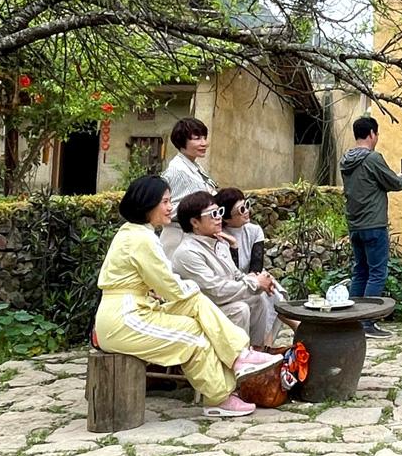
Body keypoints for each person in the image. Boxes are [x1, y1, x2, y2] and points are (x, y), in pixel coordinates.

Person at [93, 175, 282, 418]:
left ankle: (240, 356)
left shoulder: (134, 232)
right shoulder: (141, 239)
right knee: (194, 337)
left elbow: (164, 286)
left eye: (170, 201)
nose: (170, 207)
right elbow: (169, 286)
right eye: (164, 202)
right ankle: (219, 396)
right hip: (124, 319)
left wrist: (192, 292)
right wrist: (194, 288)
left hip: (138, 308)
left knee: (196, 303)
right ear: (147, 204)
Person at [171, 190, 277, 348]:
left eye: (219, 211)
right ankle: (238, 359)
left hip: (221, 303)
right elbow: (215, 291)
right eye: (213, 213)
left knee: (259, 299)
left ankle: (257, 351)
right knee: (240, 309)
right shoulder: (187, 252)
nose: (219, 217)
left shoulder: (219, 243)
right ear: (195, 222)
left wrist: (258, 280)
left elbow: (235, 275)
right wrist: (255, 284)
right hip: (202, 309)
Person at [340, 115, 402, 339]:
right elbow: (394, 182)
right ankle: (367, 323)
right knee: (377, 273)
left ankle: (350, 320)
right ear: (372, 134)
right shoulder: (372, 158)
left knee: (360, 271)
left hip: (355, 225)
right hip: (374, 224)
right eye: (377, 134)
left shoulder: (346, 160)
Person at [215, 186, 299, 346]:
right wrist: (233, 245)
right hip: (234, 281)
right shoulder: (220, 236)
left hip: (254, 275)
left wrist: (256, 279)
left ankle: (271, 340)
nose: (246, 211)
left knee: (267, 289)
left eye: (246, 205)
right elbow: (231, 268)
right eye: (240, 210)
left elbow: (256, 264)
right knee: (262, 293)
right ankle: (265, 344)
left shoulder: (254, 230)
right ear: (226, 217)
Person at [161, 117, 217, 255]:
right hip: (177, 238)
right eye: (197, 138)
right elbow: (165, 207)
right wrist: (194, 208)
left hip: (192, 237)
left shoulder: (195, 166)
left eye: (204, 138)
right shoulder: (177, 170)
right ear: (182, 142)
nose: (204, 143)